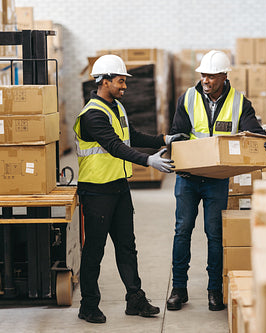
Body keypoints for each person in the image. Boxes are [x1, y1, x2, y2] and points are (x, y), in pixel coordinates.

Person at [73, 54, 188, 323]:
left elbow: (131, 136)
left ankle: (134, 299)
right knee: (95, 250)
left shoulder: (116, 107)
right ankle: (88, 305)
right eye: (120, 81)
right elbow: (115, 146)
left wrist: (165, 138)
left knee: (127, 246)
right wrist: (148, 161)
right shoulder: (92, 114)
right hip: (96, 191)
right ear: (104, 81)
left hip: (118, 188)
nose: (125, 87)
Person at [166, 50, 266, 311]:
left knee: (215, 235)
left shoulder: (239, 102)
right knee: (182, 231)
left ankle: (214, 290)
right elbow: (177, 135)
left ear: (225, 76)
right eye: (203, 75)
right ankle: (178, 289)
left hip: (216, 180)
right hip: (188, 178)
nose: (206, 80)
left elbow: (254, 133)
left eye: (212, 76)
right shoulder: (188, 98)